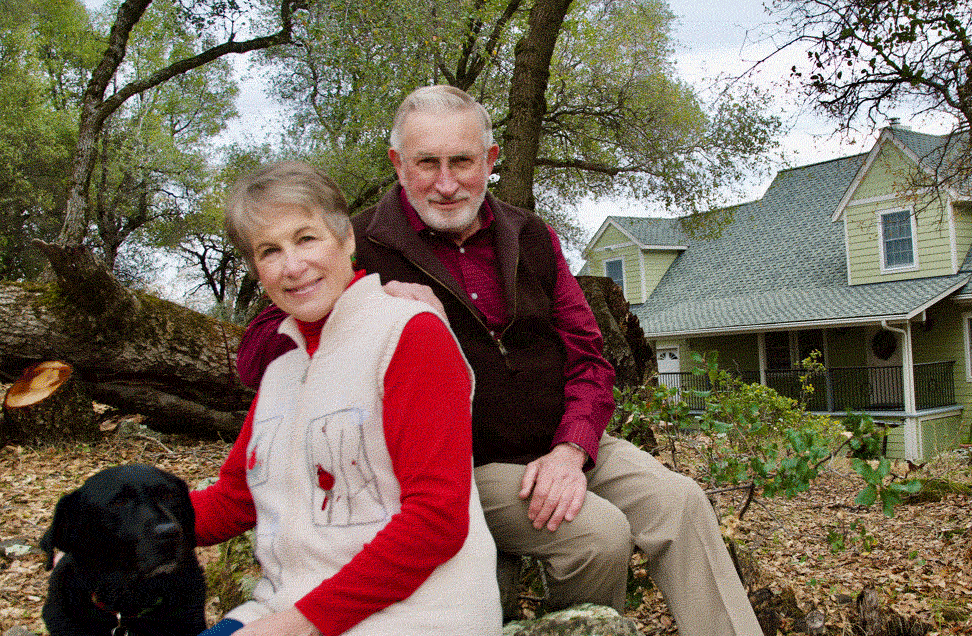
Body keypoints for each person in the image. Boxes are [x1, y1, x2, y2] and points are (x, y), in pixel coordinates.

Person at [237, 86, 765, 636]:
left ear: (489, 160)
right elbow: (254, 358)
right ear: (397, 164)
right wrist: (361, 304)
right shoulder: (358, 245)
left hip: (563, 438)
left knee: (679, 500)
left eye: (462, 161)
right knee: (598, 534)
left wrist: (571, 449)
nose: (446, 183)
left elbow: (589, 356)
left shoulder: (530, 234)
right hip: (465, 466)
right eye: (426, 163)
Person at [191, 161, 502, 636]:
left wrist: (301, 623)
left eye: (306, 238)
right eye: (269, 251)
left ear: (347, 239)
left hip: (415, 616)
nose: (292, 267)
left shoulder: (408, 334)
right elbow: (235, 500)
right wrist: (101, 530)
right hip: (287, 607)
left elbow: (436, 520)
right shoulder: (282, 368)